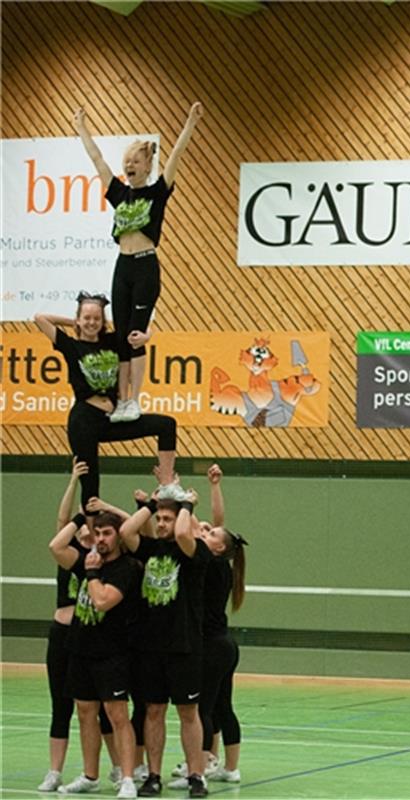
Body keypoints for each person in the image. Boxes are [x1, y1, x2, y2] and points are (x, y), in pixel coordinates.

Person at [73, 102, 203, 422]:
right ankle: (121, 400)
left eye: (136, 161)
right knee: (120, 337)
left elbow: (175, 157)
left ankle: (136, 400)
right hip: (123, 266)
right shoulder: (119, 193)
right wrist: (81, 128)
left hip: (146, 265)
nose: (129, 165)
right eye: (127, 161)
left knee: (135, 335)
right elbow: (97, 160)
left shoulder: (157, 192)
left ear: (147, 166)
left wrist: (189, 123)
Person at [33, 293, 185, 511]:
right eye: (87, 318)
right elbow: (40, 318)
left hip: (114, 417)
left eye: (96, 319)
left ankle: (167, 483)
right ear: (79, 319)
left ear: (103, 322)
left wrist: (147, 337)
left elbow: (143, 328)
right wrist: (73, 322)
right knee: (91, 486)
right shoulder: (71, 346)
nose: (92, 323)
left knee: (166, 424)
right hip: (84, 422)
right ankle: (93, 537)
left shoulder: (112, 341)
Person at [119, 490, 212, 798]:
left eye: (166, 519)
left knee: (188, 712)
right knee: (153, 710)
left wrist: (186, 503)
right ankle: (154, 774)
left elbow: (185, 532)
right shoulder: (149, 549)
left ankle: (196, 774)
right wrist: (149, 505)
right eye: (158, 519)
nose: (161, 524)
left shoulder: (195, 552)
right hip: (150, 646)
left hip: (183, 645)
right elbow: (126, 531)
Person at [39, 461, 122, 793]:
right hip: (62, 633)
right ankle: (55, 771)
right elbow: (61, 525)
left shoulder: (102, 559)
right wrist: (74, 482)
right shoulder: (69, 552)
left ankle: (117, 767)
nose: (91, 531)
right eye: (88, 527)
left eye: (97, 528)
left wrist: (98, 512)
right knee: (61, 706)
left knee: (101, 708)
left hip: (91, 634)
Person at [49, 510, 143, 799]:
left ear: (118, 536)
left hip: (112, 653)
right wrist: (80, 518)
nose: (101, 539)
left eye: (107, 534)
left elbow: (102, 601)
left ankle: (127, 777)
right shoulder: (89, 559)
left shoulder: (126, 568)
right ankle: (90, 775)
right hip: (81, 649)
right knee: (85, 713)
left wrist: (91, 573)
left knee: (116, 715)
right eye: (97, 533)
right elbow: (56, 547)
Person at [169, 464, 247, 787]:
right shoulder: (222, 563)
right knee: (222, 705)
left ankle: (199, 767)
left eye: (211, 534)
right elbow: (220, 525)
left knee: (202, 707)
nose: (208, 530)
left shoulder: (210, 563)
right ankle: (228, 767)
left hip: (212, 646)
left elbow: (206, 528)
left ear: (217, 547)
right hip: (225, 645)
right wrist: (215, 486)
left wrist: (182, 500)